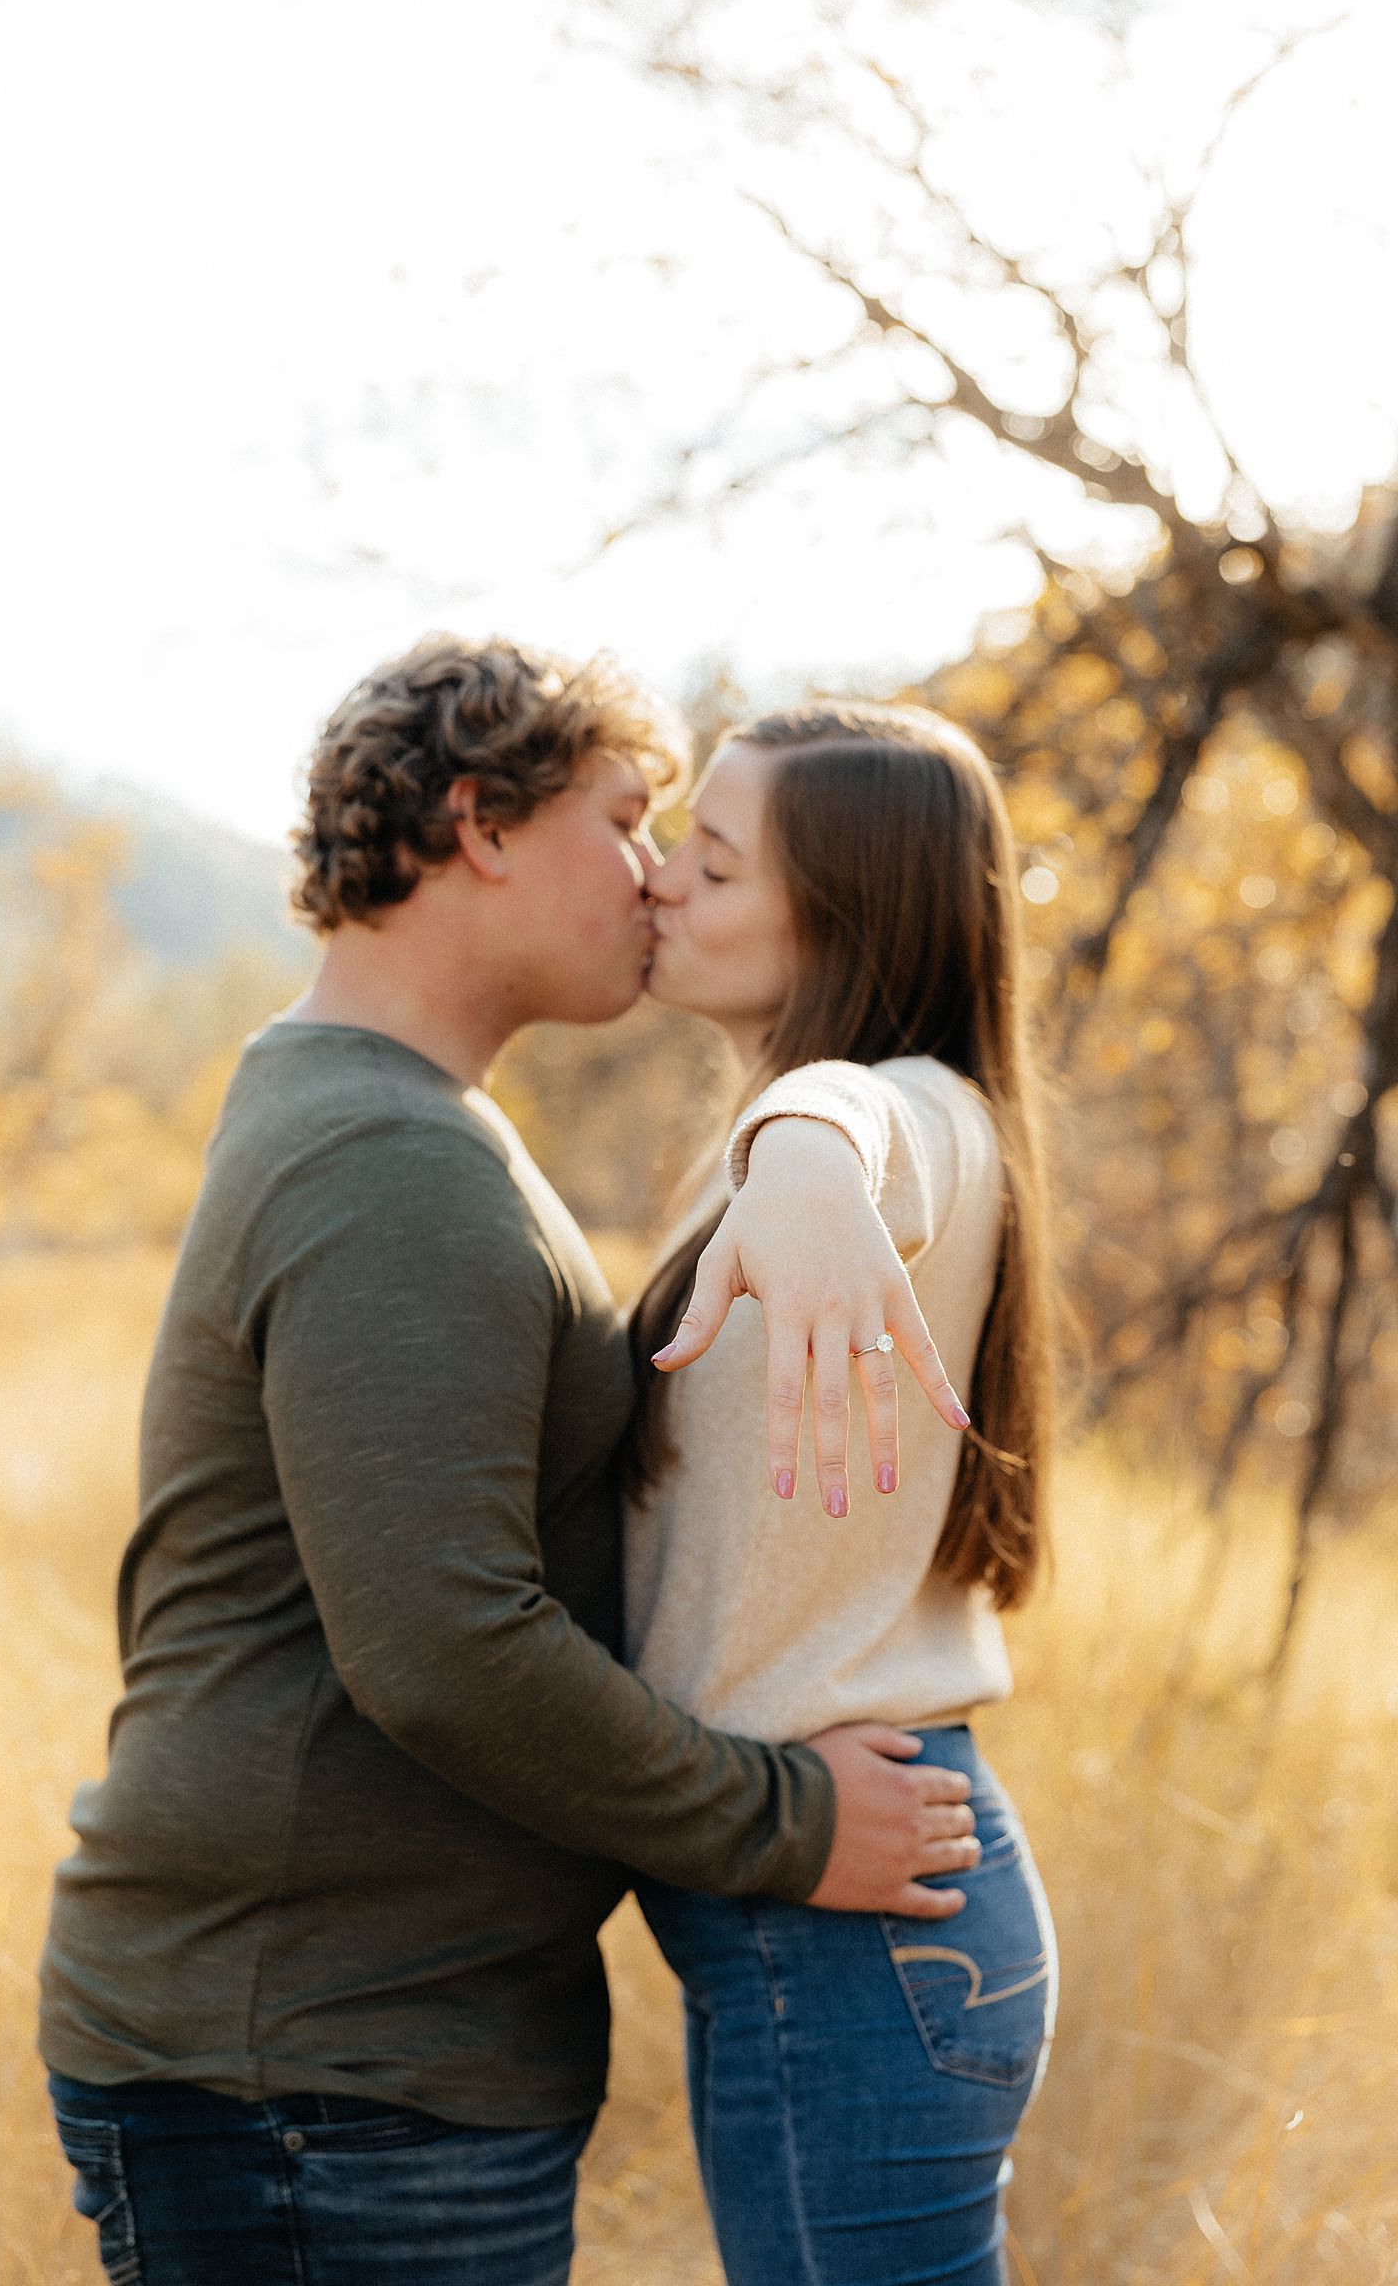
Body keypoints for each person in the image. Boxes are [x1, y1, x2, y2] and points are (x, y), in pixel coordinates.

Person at [38, 636, 982, 2286]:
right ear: (481, 826)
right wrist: (786, 1824)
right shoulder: (392, 1159)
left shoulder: (393, 1119)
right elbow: (442, 1646)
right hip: (317, 2070)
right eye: (626, 823)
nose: (649, 880)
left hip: (351, 2052)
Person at [625, 701, 1059, 2286]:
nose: (664, 883)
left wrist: (806, 1139)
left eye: (715, 865)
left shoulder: (907, 1114)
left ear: (842, 922)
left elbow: (870, 1128)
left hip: (860, 1930)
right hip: (839, 1915)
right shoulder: (746, 1138)